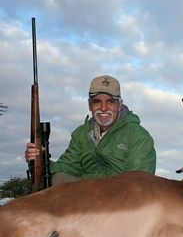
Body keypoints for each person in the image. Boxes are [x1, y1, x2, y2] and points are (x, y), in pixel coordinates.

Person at [25, 75, 156, 185]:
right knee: (57, 178)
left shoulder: (138, 136)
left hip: (120, 202)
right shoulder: (81, 134)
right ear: (89, 105)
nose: (103, 108)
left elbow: (139, 183)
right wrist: (40, 160)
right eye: (97, 101)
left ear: (120, 105)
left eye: (110, 101)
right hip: (86, 200)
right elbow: (65, 169)